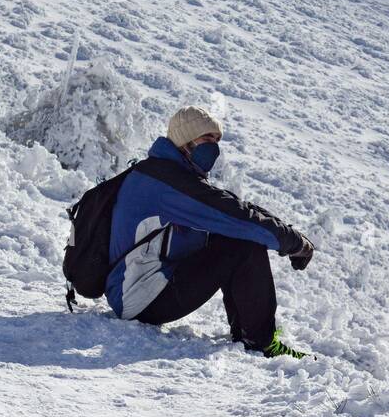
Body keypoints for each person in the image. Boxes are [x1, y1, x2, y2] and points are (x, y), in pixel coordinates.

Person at [106, 106, 314, 358]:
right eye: (207, 139)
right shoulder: (168, 183)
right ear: (186, 140)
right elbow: (239, 217)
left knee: (233, 238)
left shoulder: (168, 175)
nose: (213, 147)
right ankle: (261, 342)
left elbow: (234, 207)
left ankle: (249, 335)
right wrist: (294, 243)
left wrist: (288, 234)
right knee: (244, 244)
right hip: (140, 299)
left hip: (138, 290)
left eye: (217, 140)